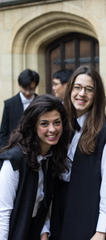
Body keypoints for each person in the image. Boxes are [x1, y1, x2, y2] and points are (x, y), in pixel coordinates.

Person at [50, 66, 106, 240]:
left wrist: (102, 230)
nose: (82, 94)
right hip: (58, 208)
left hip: (87, 212)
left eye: (89, 89)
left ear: (97, 95)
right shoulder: (59, 126)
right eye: (78, 87)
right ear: (70, 89)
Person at [0, 94, 69, 240]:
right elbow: (2, 214)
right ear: (33, 126)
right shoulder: (14, 160)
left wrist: (44, 231)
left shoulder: (51, 157)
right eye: (44, 124)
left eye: (57, 122)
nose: (52, 129)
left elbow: (43, 203)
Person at [0, 69, 40, 148]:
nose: (28, 93)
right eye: (25, 89)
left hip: (36, 148)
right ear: (19, 85)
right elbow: (3, 132)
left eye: (31, 89)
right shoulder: (9, 104)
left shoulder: (41, 102)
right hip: (14, 149)